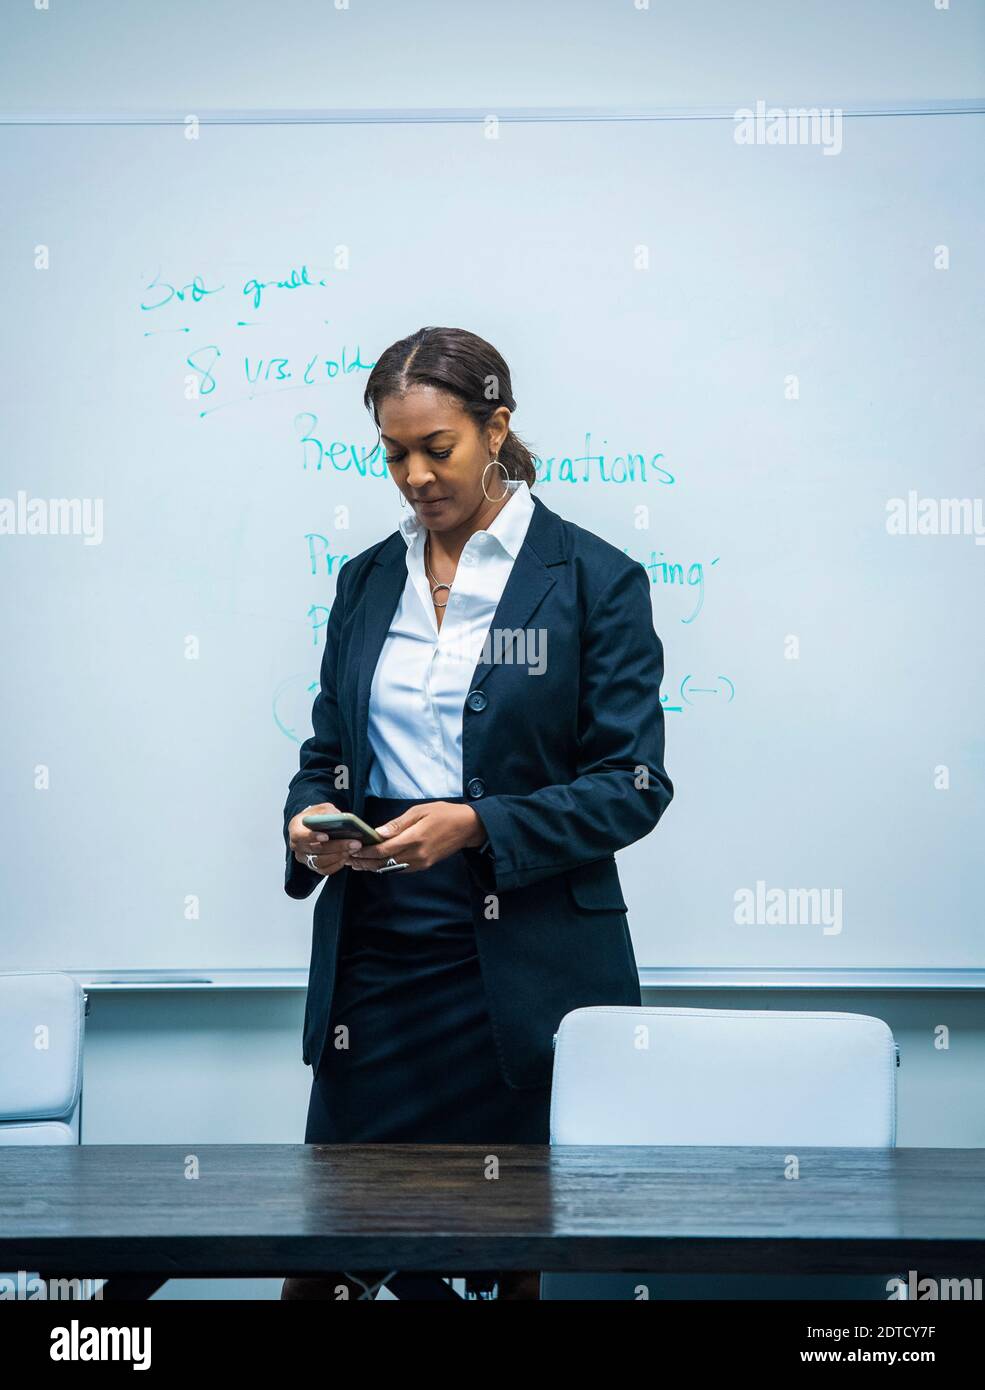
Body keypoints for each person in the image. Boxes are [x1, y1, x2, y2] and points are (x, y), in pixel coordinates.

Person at [280, 326, 673, 1300]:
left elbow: (633, 782)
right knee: (331, 1258)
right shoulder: (366, 579)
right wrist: (310, 819)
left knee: (498, 1263)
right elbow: (325, 753)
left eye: (437, 447)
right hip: (375, 970)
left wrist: (480, 825)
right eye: (392, 453)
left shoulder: (593, 579)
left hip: (520, 973)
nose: (413, 475)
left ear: (497, 427)